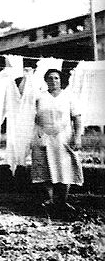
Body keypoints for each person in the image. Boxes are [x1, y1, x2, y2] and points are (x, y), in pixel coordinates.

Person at [31, 69, 83, 212]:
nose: (53, 81)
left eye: (56, 78)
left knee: (65, 166)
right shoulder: (40, 97)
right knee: (45, 166)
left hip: (64, 137)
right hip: (44, 136)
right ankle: (49, 199)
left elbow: (77, 118)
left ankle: (63, 201)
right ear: (45, 80)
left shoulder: (69, 97)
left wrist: (77, 137)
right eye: (50, 78)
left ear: (61, 80)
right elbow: (33, 117)